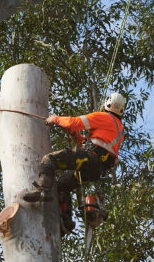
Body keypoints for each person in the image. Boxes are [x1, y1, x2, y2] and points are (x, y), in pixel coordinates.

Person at [23, 92, 126, 234]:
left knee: (49, 159)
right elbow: (96, 145)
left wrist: (55, 119)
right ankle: (66, 223)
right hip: (95, 170)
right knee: (63, 186)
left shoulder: (103, 117)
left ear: (107, 104)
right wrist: (74, 135)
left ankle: (42, 190)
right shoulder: (120, 131)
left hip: (89, 159)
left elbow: (74, 122)